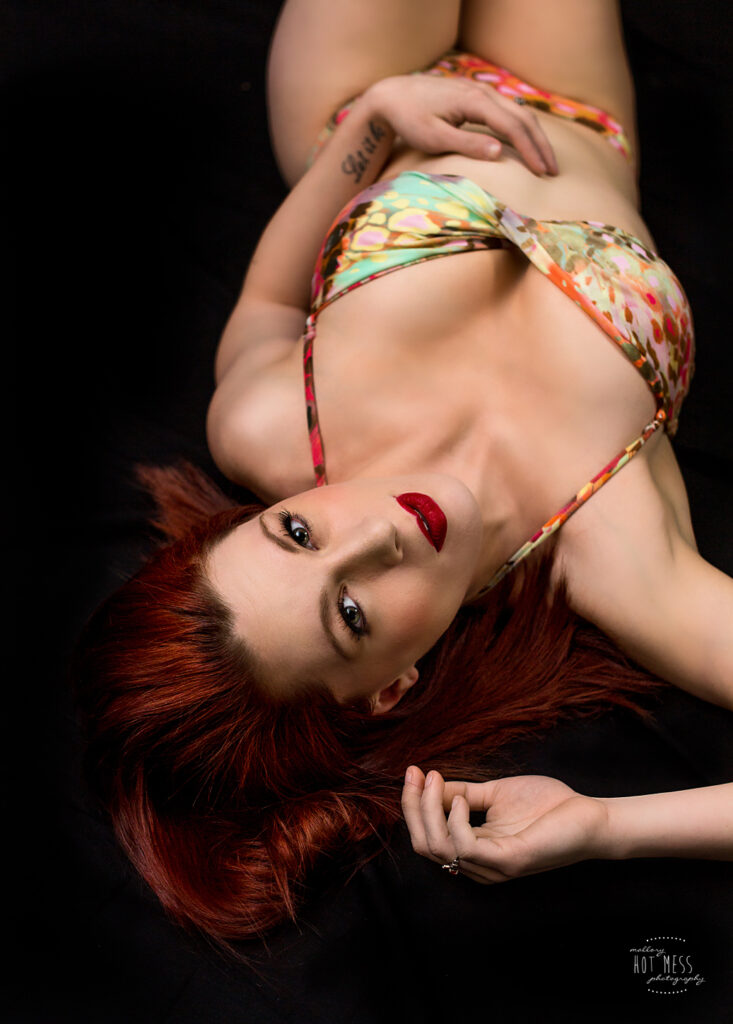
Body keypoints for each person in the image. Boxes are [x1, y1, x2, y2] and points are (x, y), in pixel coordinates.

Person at [73, 0, 733, 952]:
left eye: (297, 532)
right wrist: (605, 828)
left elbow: (267, 306)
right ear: (389, 688)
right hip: (577, 108)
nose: (379, 532)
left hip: (361, 85)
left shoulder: (273, 429)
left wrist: (373, 122)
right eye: (350, 613)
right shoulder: (615, 559)